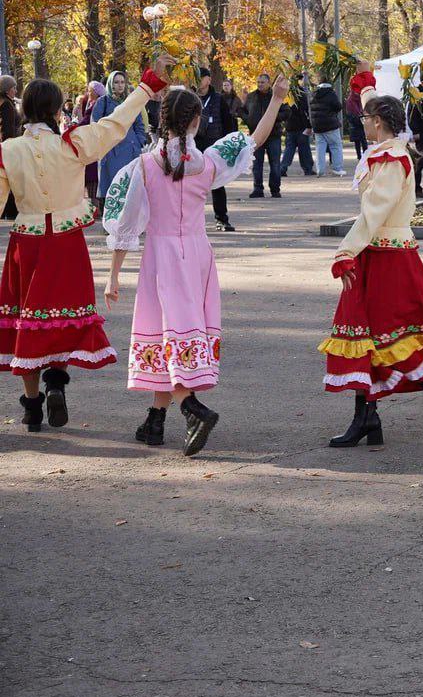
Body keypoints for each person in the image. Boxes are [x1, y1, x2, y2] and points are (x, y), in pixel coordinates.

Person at [102, 75, 288, 455]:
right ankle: (155, 421)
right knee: (173, 332)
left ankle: (191, 408)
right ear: (196, 121)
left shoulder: (146, 165)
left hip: (162, 256)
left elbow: (125, 224)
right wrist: (277, 100)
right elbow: (254, 139)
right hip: (197, 254)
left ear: (162, 119)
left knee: (167, 331)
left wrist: (113, 275)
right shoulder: (207, 163)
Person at [0, 55, 171, 431]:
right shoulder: (73, 143)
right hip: (66, 242)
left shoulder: (8, 151)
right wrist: (146, 85)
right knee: (60, 315)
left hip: (26, 243)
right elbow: (115, 124)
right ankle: (57, 381)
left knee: (26, 320)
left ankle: (31, 404)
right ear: (57, 108)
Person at [320, 92, 423, 444]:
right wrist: (365, 84)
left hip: (387, 253)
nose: (362, 122)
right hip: (378, 250)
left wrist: (346, 249)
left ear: (377, 122)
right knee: (367, 335)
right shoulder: (387, 152)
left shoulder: (390, 157)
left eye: (365, 117)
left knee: (386, 333)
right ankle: (368, 417)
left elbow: (376, 209)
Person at [90, 72, 150, 218]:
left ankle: (130, 222)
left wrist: (139, 141)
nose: (120, 85)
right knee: (112, 186)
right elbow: (95, 125)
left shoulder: (130, 101)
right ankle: (111, 221)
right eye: (116, 82)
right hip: (110, 151)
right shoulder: (102, 102)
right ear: (111, 84)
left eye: (122, 82)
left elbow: (139, 124)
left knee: (130, 187)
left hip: (130, 150)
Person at [195, 68, 237, 231]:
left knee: (218, 184)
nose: (198, 81)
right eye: (195, 77)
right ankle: (193, 221)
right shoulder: (190, 98)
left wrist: (228, 147)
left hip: (215, 148)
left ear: (209, 80)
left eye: (201, 77)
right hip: (194, 147)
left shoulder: (218, 99)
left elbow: (228, 124)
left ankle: (222, 219)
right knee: (192, 185)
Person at [243, 73, 285, 198]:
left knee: (275, 163)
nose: (260, 84)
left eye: (262, 82)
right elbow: (242, 110)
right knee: (257, 163)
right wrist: (248, 119)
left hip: (273, 135)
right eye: (258, 82)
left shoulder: (276, 96)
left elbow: (287, 111)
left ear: (269, 83)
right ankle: (257, 188)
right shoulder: (251, 97)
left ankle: (275, 189)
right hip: (256, 135)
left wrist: (274, 118)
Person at [309, 72, 345, 177]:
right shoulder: (331, 94)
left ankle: (320, 170)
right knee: (335, 146)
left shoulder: (313, 94)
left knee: (320, 148)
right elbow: (338, 106)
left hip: (317, 125)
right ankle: (337, 169)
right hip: (330, 124)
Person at [281, 77, 315, 177]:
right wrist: (309, 126)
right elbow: (306, 111)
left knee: (289, 148)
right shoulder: (302, 95)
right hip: (301, 126)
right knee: (304, 149)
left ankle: (283, 167)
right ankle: (308, 169)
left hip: (290, 125)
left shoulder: (286, 95)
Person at [1, 75, 23, 220]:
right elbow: (8, 128)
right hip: (8, 146)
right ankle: (11, 211)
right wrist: (12, 145)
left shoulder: (3, 102)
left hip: (3, 145)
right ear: (8, 89)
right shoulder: (7, 105)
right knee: (13, 178)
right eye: (14, 88)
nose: (15, 90)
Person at [344, 64, 370, 164]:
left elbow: (350, 110)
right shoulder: (356, 99)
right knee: (360, 140)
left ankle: (362, 155)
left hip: (356, 122)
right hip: (357, 121)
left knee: (360, 140)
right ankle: (362, 155)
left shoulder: (353, 99)